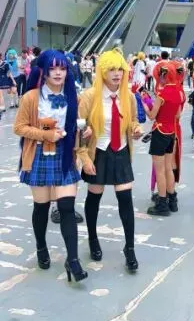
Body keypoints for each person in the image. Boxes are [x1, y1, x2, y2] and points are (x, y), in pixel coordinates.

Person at [14, 49, 86, 283]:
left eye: (62, 68)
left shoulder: (74, 96)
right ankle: (41, 247)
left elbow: (77, 126)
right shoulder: (31, 98)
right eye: (52, 68)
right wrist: (46, 135)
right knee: (41, 207)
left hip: (65, 155)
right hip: (39, 155)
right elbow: (19, 128)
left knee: (67, 207)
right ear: (44, 72)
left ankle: (73, 260)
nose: (57, 73)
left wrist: (83, 133)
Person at [77, 49, 142, 274]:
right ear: (102, 72)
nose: (117, 74)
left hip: (121, 151)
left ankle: (130, 248)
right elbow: (79, 129)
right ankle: (93, 239)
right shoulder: (89, 96)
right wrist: (85, 158)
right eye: (111, 69)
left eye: (120, 69)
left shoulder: (129, 96)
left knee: (125, 199)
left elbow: (133, 120)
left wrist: (135, 129)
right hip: (99, 151)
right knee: (94, 196)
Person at [144, 58, 185, 218]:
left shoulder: (162, 94)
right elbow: (177, 114)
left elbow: (152, 116)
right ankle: (172, 200)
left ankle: (162, 203)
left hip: (160, 131)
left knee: (159, 170)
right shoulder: (179, 93)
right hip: (171, 132)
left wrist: (144, 103)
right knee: (168, 168)